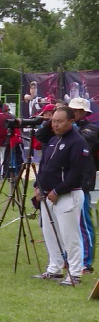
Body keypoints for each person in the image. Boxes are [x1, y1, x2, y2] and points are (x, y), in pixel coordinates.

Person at [34, 106, 90, 286]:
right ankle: (54, 268)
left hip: (68, 195)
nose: (55, 125)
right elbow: (43, 165)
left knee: (70, 236)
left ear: (71, 122)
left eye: (59, 121)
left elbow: (77, 172)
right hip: (46, 195)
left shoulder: (77, 142)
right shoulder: (52, 140)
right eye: (53, 121)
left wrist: (58, 191)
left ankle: (74, 273)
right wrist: (38, 185)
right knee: (50, 233)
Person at [66, 97, 99, 275]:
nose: (73, 112)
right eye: (71, 109)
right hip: (66, 180)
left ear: (84, 113)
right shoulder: (67, 128)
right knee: (66, 222)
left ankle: (86, 262)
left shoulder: (91, 128)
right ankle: (68, 258)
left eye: (77, 110)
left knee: (83, 223)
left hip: (83, 181)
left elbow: (85, 142)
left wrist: (68, 126)